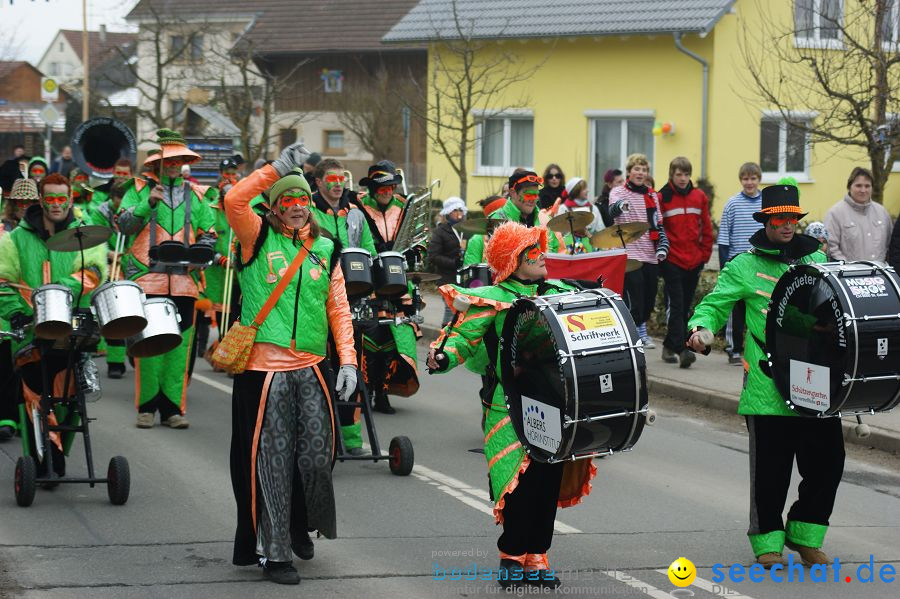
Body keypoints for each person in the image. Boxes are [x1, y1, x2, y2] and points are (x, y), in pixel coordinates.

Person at [427, 221, 596, 589]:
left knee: (546, 479)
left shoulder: (558, 292)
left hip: (555, 403)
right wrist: (444, 357)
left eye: (540, 248)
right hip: (509, 404)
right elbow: (463, 338)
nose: (541, 256)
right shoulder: (492, 298)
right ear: (513, 260)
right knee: (515, 482)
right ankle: (511, 555)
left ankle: (538, 555)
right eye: (531, 251)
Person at [687, 183, 839, 569]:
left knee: (828, 463)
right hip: (767, 386)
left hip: (817, 382)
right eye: (781, 219)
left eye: (793, 218)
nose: (789, 225)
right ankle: (767, 540)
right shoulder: (743, 265)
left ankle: (805, 533)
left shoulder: (817, 258)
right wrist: (701, 330)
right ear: (767, 220)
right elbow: (714, 304)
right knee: (771, 473)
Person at [225, 143, 357, 585]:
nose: (298, 208)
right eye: (288, 201)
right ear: (276, 208)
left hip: (313, 367)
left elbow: (338, 308)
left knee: (318, 457)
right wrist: (277, 168)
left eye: (303, 200)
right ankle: (274, 553)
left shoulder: (326, 246)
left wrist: (349, 364)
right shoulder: (255, 237)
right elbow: (233, 200)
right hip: (264, 371)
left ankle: (299, 523)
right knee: (273, 464)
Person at [0, 173, 107, 475]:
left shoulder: (84, 236)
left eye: (63, 199)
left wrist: (58, 290)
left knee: (68, 396)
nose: (57, 204)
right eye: (51, 199)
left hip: (73, 330)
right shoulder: (15, 239)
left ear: (71, 199)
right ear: (41, 201)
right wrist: (14, 311)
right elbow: (4, 280)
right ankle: (49, 454)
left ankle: (53, 449)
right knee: (36, 386)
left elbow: (93, 272)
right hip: (31, 333)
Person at [117, 129, 217, 429]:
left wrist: (206, 246)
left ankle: (173, 409)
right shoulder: (137, 189)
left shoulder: (196, 195)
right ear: (158, 163)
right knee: (150, 345)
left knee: (178, 348)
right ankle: (147, 408)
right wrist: (147, 203)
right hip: (149, 279)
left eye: (179, 161)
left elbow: (209, 232)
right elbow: (123, 225)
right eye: (169, 161)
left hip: (184, 283)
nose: (174, 166)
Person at [358, 160, 420, 415]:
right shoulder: (358, 207)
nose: (387, 192)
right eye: (382, 188)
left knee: (392, 339)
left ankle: (382, 392)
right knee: (369, 336)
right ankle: (365, 389)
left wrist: (417, 253)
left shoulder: (406, 207)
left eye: (391, 187)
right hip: (370, 281)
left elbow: (418, 237)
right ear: (372, 188)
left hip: (398, 282)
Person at [608, 154, 668, 349]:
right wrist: (621, 206)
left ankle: (640, 331)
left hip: (649, 253)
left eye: (644, 170)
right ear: (629, 171)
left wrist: (662, 247)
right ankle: (637, 334)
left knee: (649, 298)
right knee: (636, 296)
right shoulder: (618, 191)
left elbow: (658, 224)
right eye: (637, 169)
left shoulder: (651, 195)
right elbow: (612, 211)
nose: (640, 173)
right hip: (629, 253)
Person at [657, 157, 713, 368]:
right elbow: (658, 230)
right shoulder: (662, 197)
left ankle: (669, 346)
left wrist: (704, 255)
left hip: (694, 260)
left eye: (686, 174)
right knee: (678, 305)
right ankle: (682, 349)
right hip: (672, 260)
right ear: (671, 174)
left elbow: (706, 228)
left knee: (687, 306)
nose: (683, 178)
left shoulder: (699, 196)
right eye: (679, 174)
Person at [718, 162, 763, 366]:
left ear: (759, 179)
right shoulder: (732, 204)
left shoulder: (766, 203)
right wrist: (724, 266)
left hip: (760, 262)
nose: (749, 182)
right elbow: (724, 237)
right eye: (745, 178)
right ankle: (733, 348)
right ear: (740, 180)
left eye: (753, 178)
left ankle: (756, 348)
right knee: (736, 310)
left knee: (758, 308)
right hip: (737, 263)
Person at [88, 183, 130, 379]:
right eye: (118, 199)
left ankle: (134, 350)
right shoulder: (100, 213)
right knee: (115, 314)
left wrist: (129, 256)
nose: (122, 203)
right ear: (112, 198)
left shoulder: (134, 212)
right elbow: (96, 240)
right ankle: (115, 361)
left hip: (132, 264)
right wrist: (111, 254)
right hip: (109, 265)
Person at [824, 167, 892, 262]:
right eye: (858, 185)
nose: (863, 190)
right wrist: (850, 269)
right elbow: (831, 248)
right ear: (849, 186)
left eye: (867, 186)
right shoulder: (835, 213)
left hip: (881, 274)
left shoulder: (882, 212)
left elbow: (890, 246)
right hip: (849, 275)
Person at [429, 197, 467, 324]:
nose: (458, 213)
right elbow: (433, 256)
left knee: (464, 313)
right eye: (454, 210)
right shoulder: (440, 232)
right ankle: (444, 340)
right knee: (450, 310)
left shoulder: (468, 230)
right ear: (448, 212)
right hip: (447, 278)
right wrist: (454, 263)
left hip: (464, 279)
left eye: (460, 210)